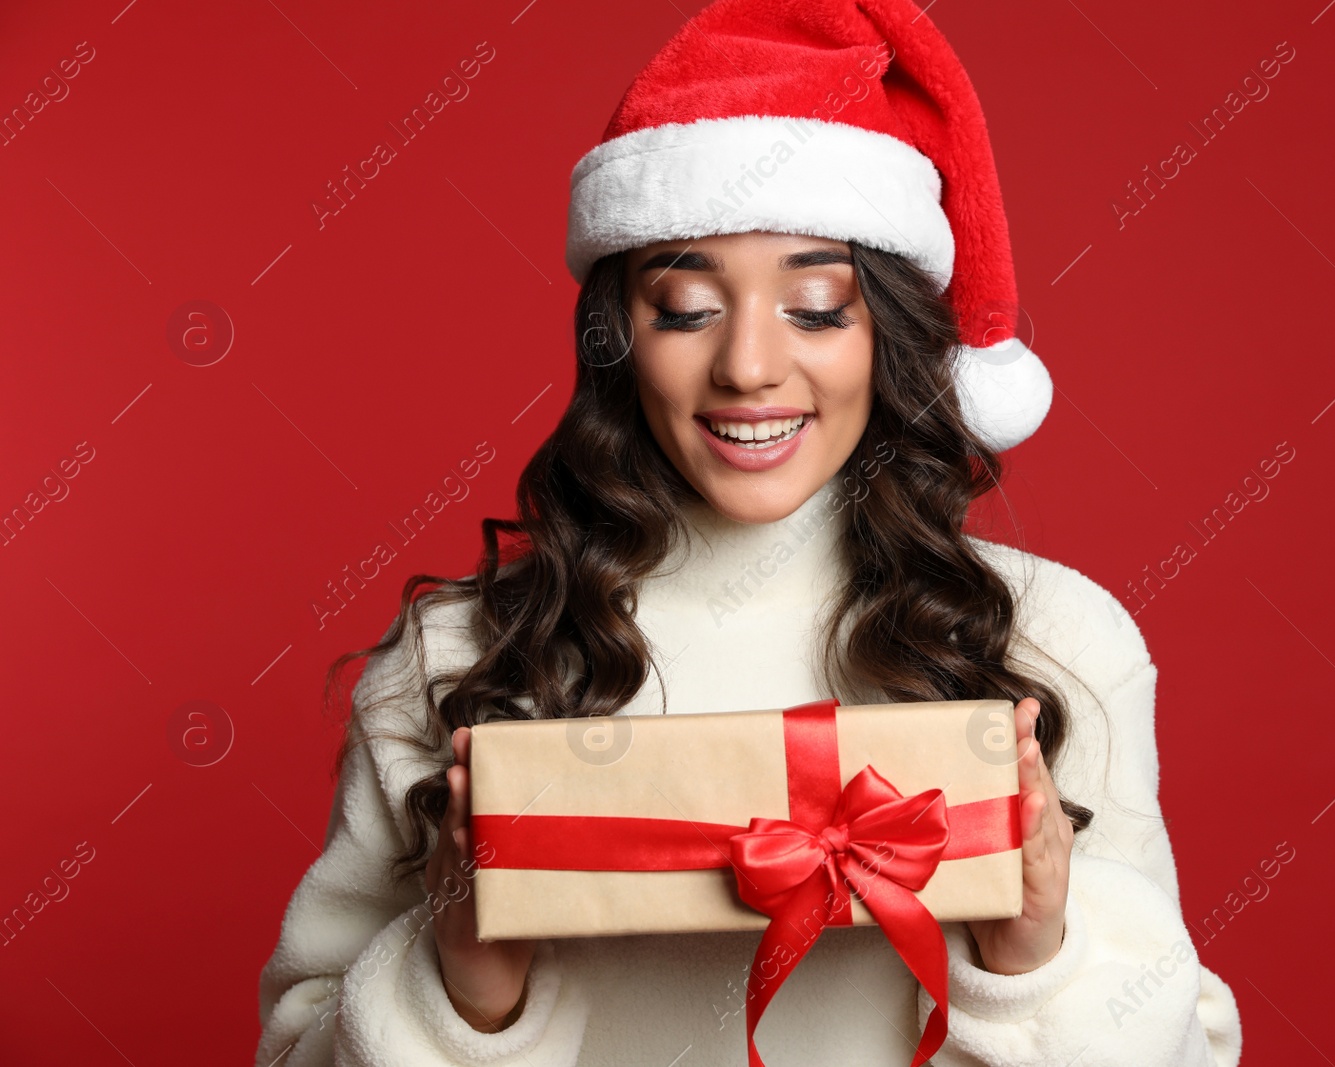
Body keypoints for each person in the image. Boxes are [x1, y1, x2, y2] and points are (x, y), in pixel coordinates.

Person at [256, 1, 1243, 1064]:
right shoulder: (454, 661)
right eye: (684, 307)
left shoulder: (1052, 641)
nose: (748, 367)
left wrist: (1036, 961)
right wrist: (459, 989)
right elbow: (293, 1045)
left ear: (891, 336)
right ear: (618, 338)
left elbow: (1191, 1039)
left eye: (817, 306)